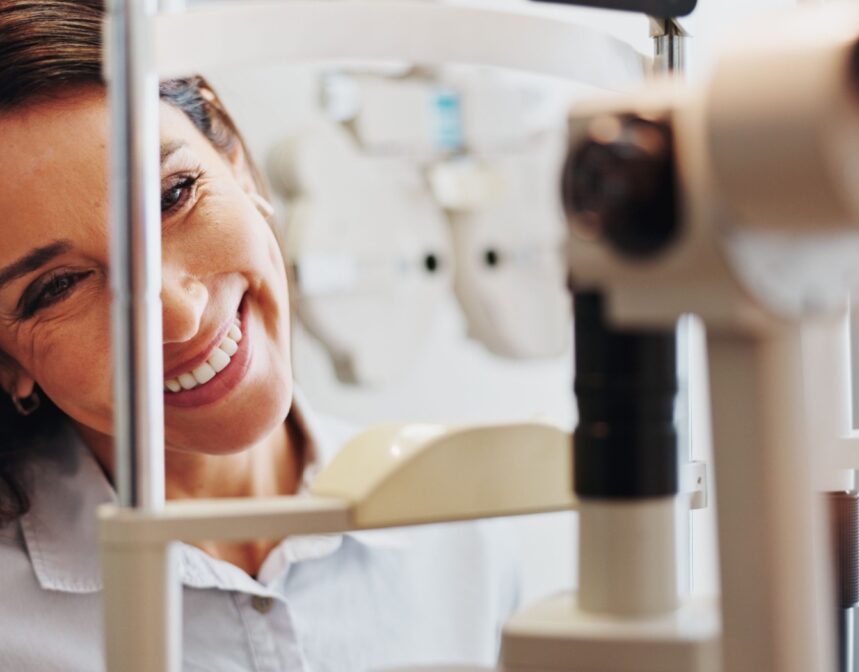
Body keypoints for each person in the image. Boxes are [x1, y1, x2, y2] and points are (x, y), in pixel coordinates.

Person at [0, 1, 517, 670]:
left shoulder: (455, 531)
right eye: (58, 287)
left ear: (236, 165)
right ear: (8, 362)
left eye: (173, 196)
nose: (179, 317)